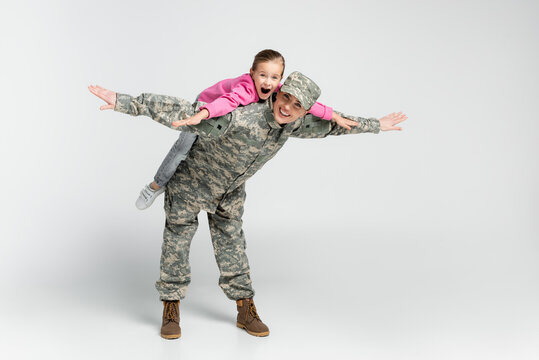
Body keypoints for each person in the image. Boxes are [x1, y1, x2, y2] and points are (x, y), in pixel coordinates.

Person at [88, 72, 407, 339]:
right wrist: (123, 102)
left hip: (229, 194)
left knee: (233, 248)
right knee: (176, 243)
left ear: (304, 111)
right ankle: (171, 307)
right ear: (277, 93)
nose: (288, 108)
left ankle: (245, 308)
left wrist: (377, 124)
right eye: (286, 98)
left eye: (298, 106)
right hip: (190, 185)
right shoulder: (240, 115)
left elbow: (337, 125)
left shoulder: (295, 124)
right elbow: (181, 109)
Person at [134, 49, 358, 210]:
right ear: (252, 73)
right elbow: (228, 102)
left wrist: (334, 115)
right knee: (182, 150)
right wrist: (202, 114)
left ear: (280, 81)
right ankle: (155, 185)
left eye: (274, 77)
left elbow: (312, 105)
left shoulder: (277, 91)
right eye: (262, 75)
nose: (268, 82)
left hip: (221, 118)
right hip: (206, 107)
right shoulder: (246, 90)